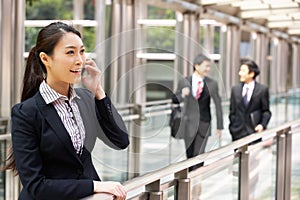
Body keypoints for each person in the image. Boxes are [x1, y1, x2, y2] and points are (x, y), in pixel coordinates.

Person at [2, 22, 129, 200]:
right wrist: (95, 185)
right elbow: (36, 185)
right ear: (46, 59)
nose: (79, 60)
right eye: (70, 52)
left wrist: (98, 91)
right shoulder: (26, 113)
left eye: (82, 51)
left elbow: (120, 140)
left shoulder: (85, 99)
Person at [172, 53, 223, 171]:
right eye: (206, 66)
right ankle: (191, 182)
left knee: (199, 155)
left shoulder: (212, 84)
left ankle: (197, 181)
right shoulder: (184, 81)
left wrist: (219, 126)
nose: (208, 69)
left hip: (204, 124)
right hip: (188, 124)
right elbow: (174, 99)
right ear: (196, 66)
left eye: (209, 67)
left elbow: (218, 105)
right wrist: (182, 94)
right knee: (190, 156)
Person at [229, 59, 272, 142]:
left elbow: (266, 112)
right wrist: (232, 128)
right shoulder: (235, 90)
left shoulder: (262, 90)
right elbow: (232, 112)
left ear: (251, 73)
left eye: (243, 71)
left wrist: (262, 125)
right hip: (237, 134)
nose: (239, 73)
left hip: (254, 132)